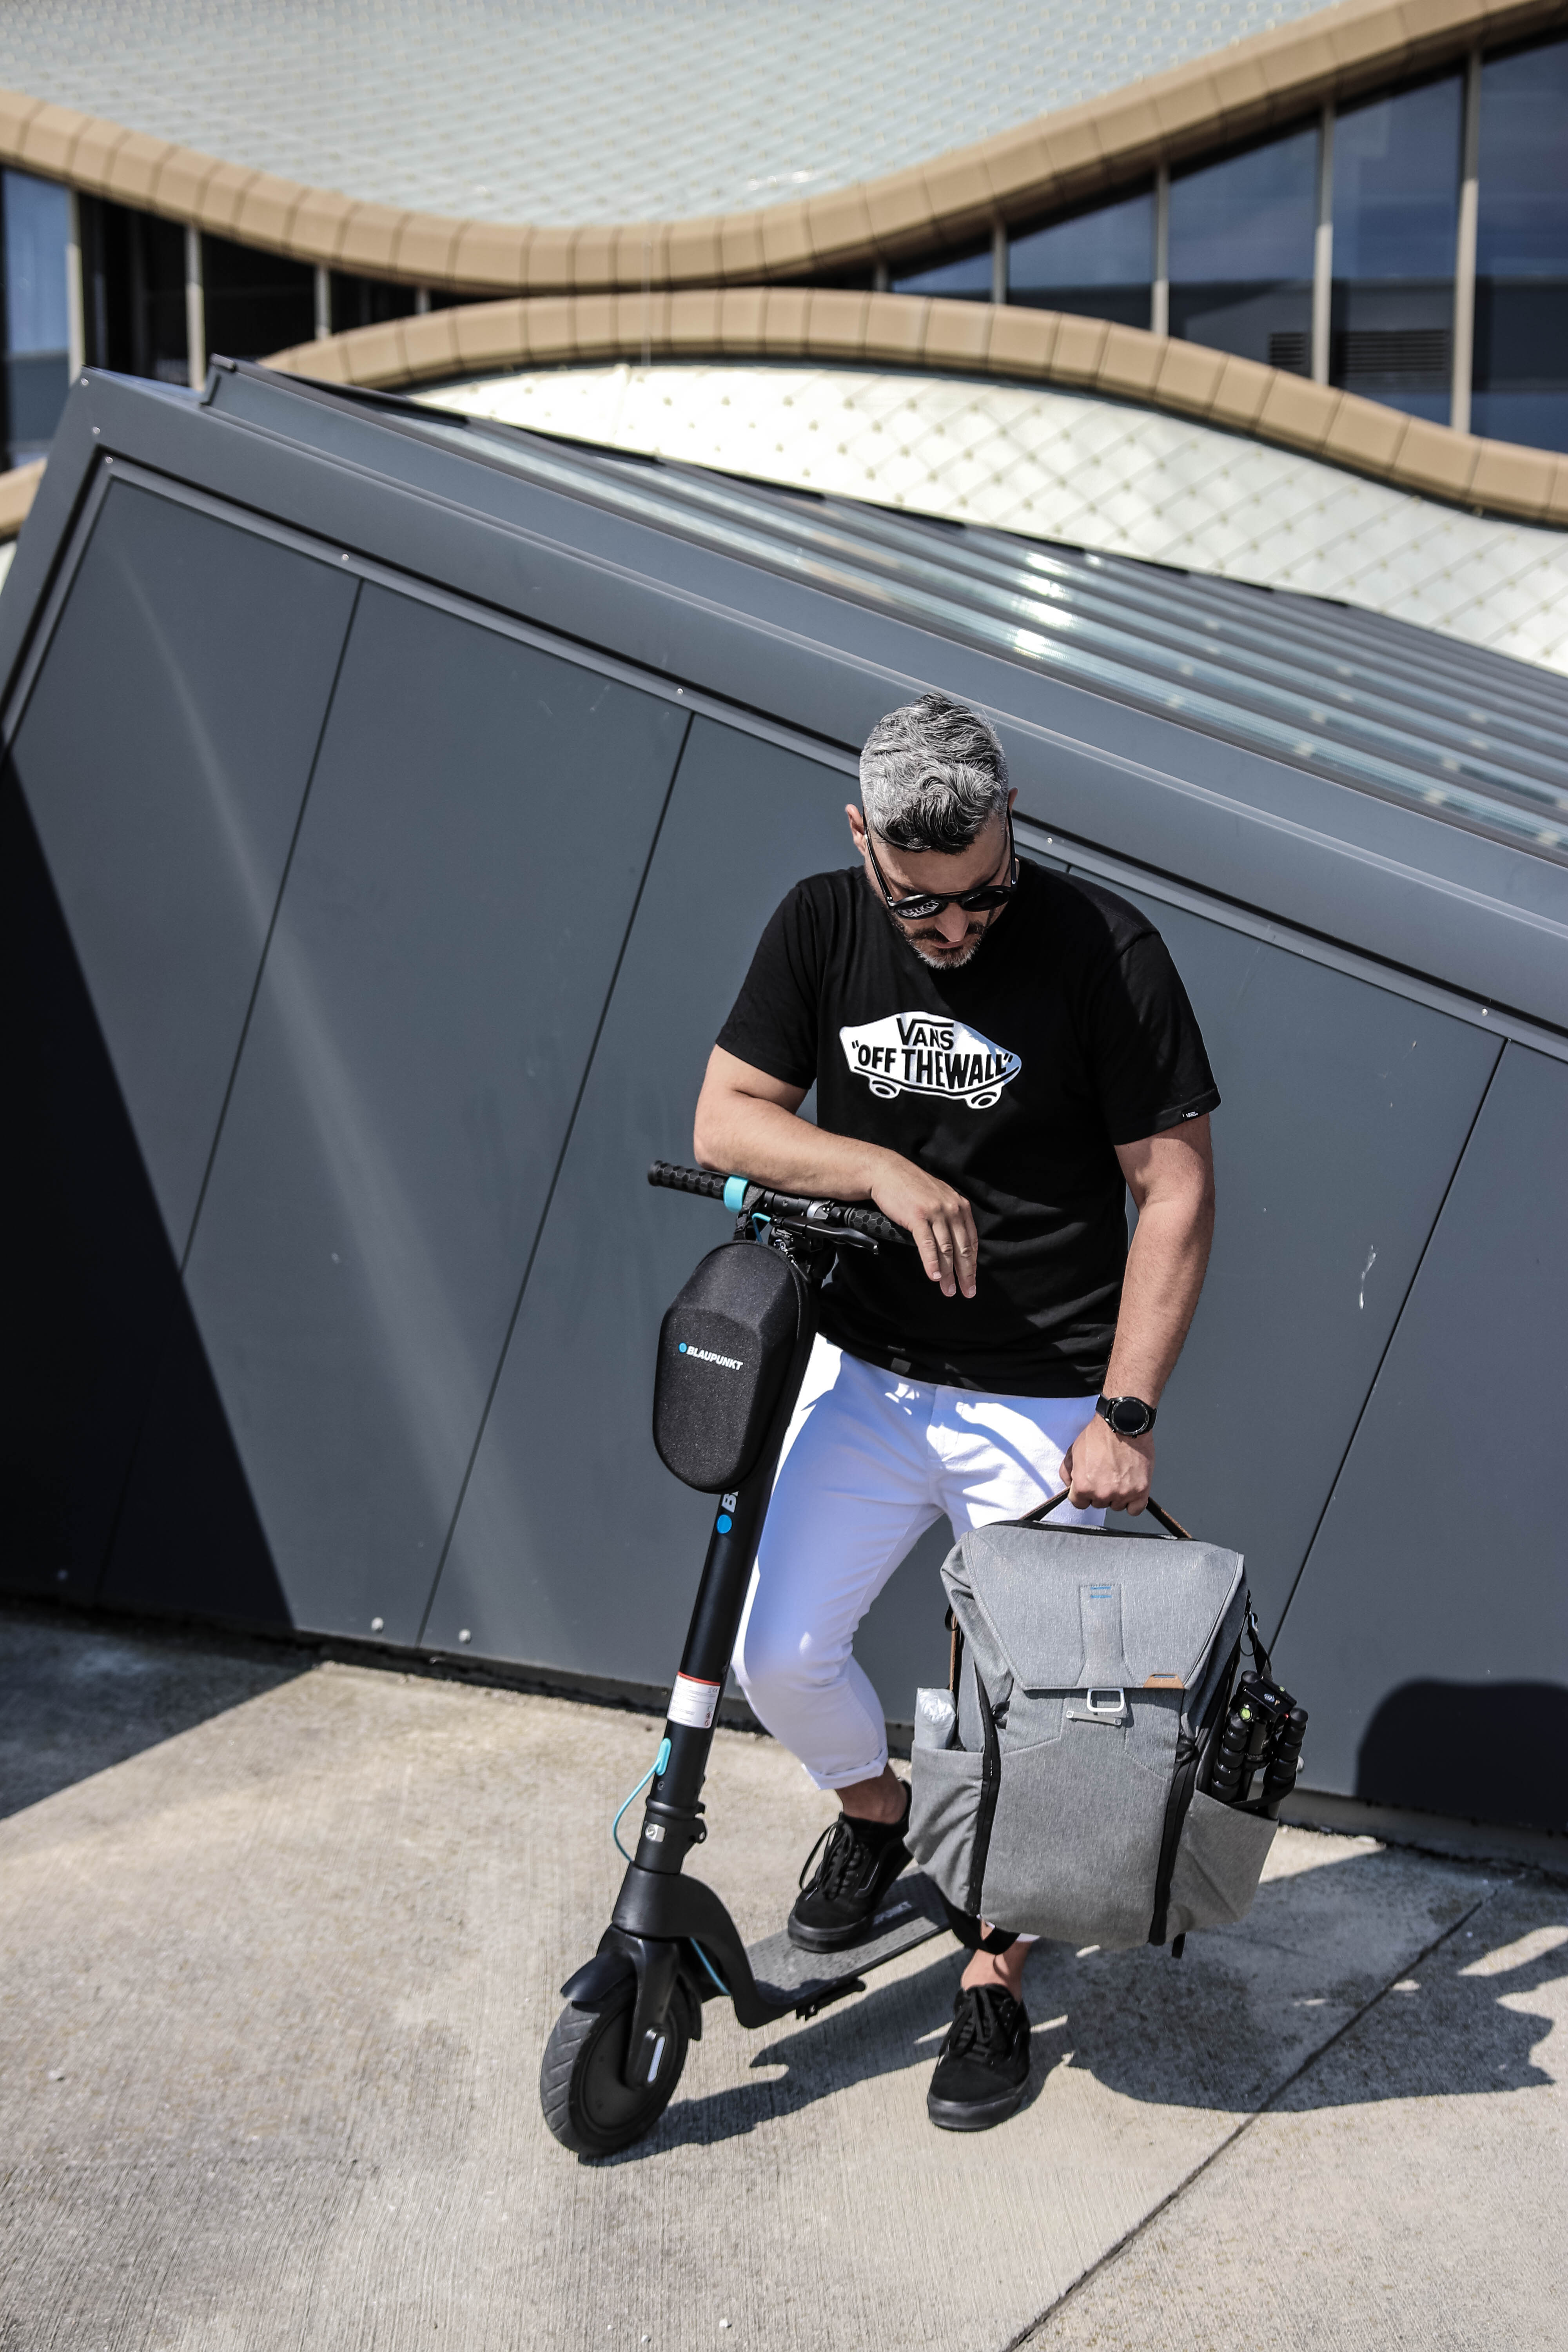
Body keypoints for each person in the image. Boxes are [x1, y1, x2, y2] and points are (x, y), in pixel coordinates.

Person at [693, 690, 1218, 2130]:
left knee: (1021, 1724)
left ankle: (994, 1963)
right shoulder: (819, 923)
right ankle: (879, 1817)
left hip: (1043, 1398)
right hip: (865, 1373)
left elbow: (1174, 1190)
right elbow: (727, 1118)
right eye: (920, 905)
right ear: (861, 840)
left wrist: (1126, 1410)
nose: (957, 930)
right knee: (778, 1654)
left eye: (983, 894)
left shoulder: (1105, 950)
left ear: (1012, 826)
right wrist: (875, 1168)